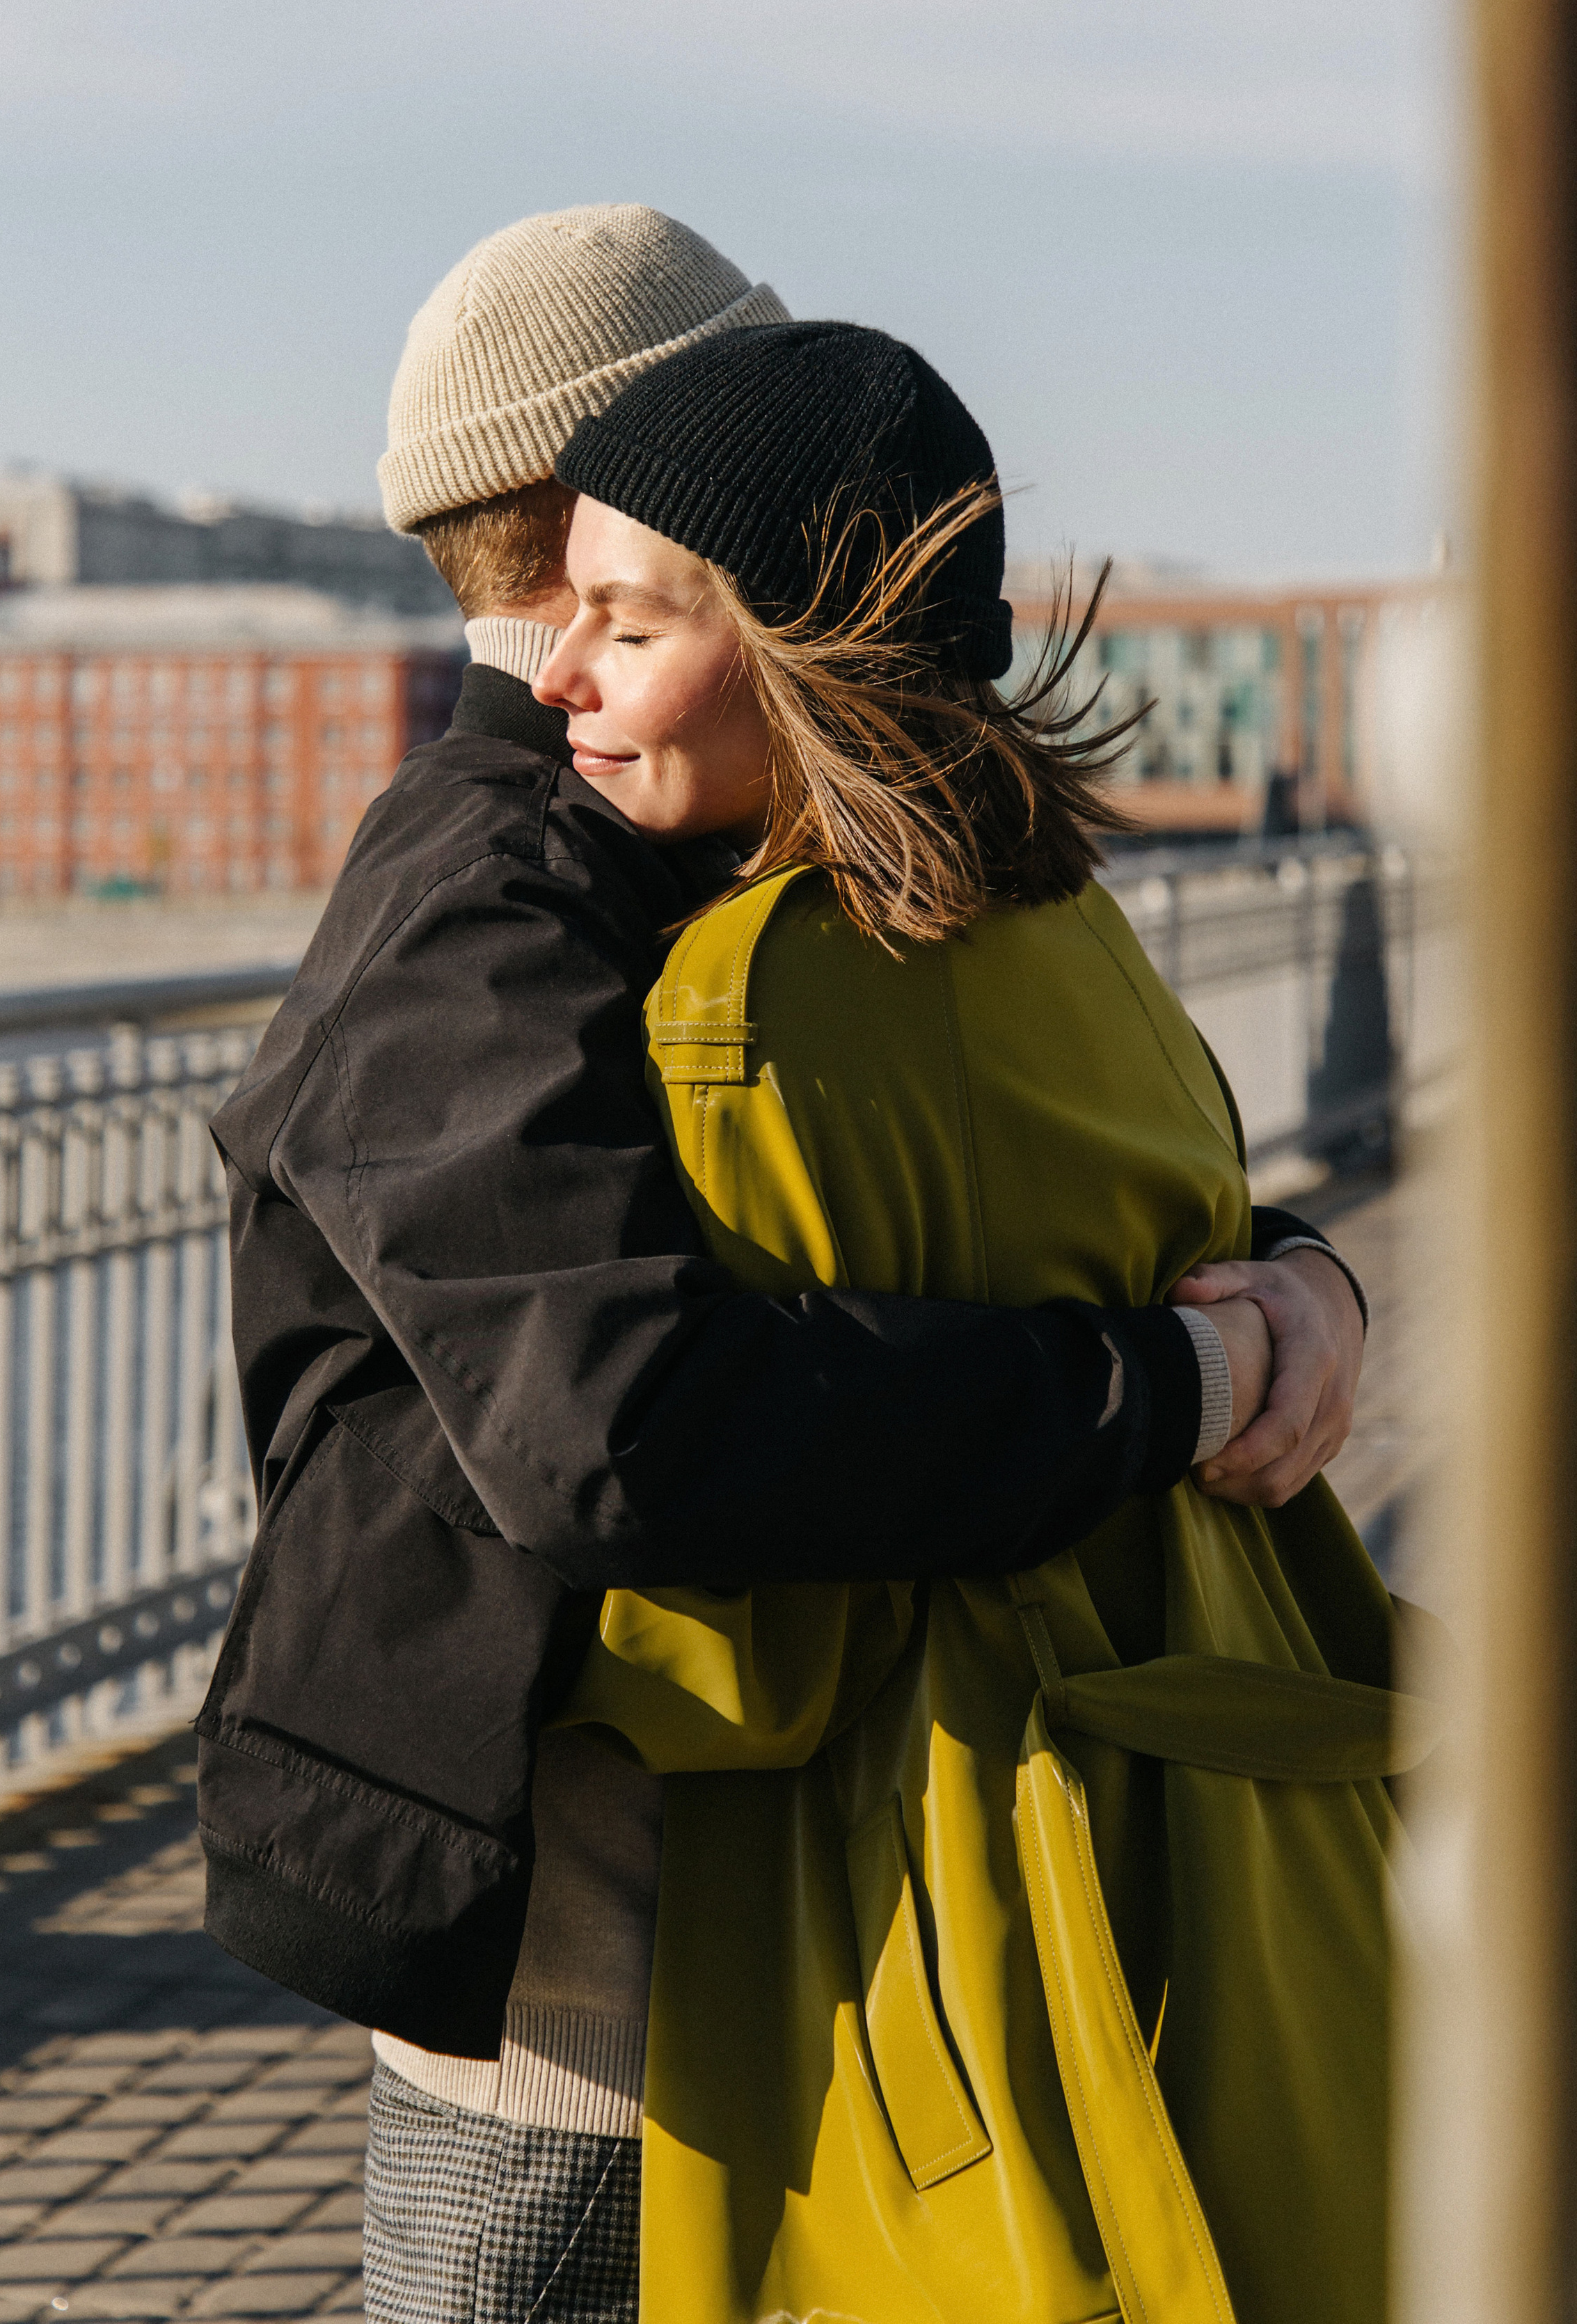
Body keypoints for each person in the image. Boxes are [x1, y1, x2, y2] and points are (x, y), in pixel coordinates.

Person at [197, 207, 1367, 2323]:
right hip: (565, 1922)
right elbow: (628, 1423)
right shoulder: (493, 890)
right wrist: (1168, 1387)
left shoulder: (749, 830)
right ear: (605, 503)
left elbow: (993, 1179)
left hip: (792, 1861)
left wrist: (1287, 1279)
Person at [539, 318, 1411, 2324]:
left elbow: (725, 1642)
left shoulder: (747, 999)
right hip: (1238, 1782)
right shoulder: (1076, 924)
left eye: (625, 623)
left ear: (801, 641)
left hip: (947, 1868)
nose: (559, 681)